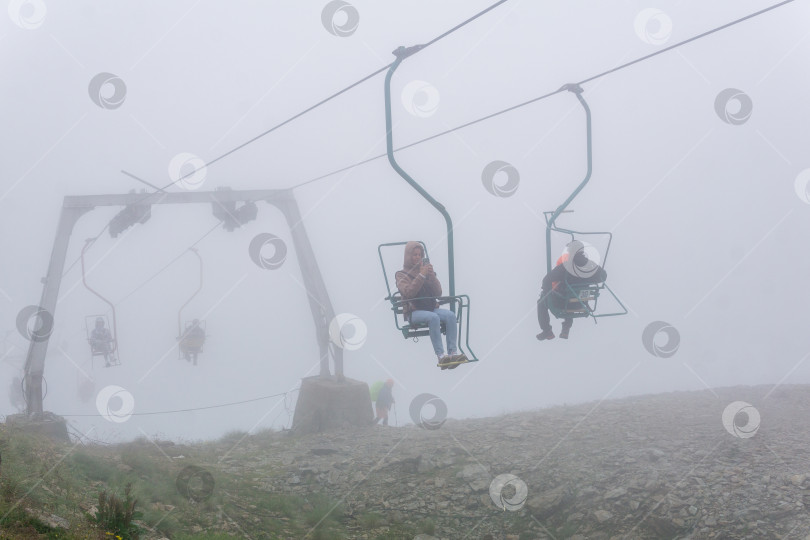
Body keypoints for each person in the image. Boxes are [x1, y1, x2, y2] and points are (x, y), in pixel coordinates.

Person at [396, 242, 466, 369]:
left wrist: (431, 276)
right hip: (413, 312)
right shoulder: (401, 275)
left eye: (419, 255)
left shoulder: (426, 272)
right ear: (408, 256)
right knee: (433, 318)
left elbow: (438, 293)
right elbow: (409, 293)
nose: (417, 257)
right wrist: (421, 275)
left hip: (430, 308)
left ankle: (452, 353)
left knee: (450, 315)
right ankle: (441, 355)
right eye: (414, 255)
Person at [537, 242, 607, 341]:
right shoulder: (590, 266)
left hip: (562, 304)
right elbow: (603, 276)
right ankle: (566, 327)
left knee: (543, 298)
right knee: (571, 293)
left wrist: (550, 291)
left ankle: (547, 331)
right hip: (581, 303)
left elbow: (546, 280)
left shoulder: (565, 267)